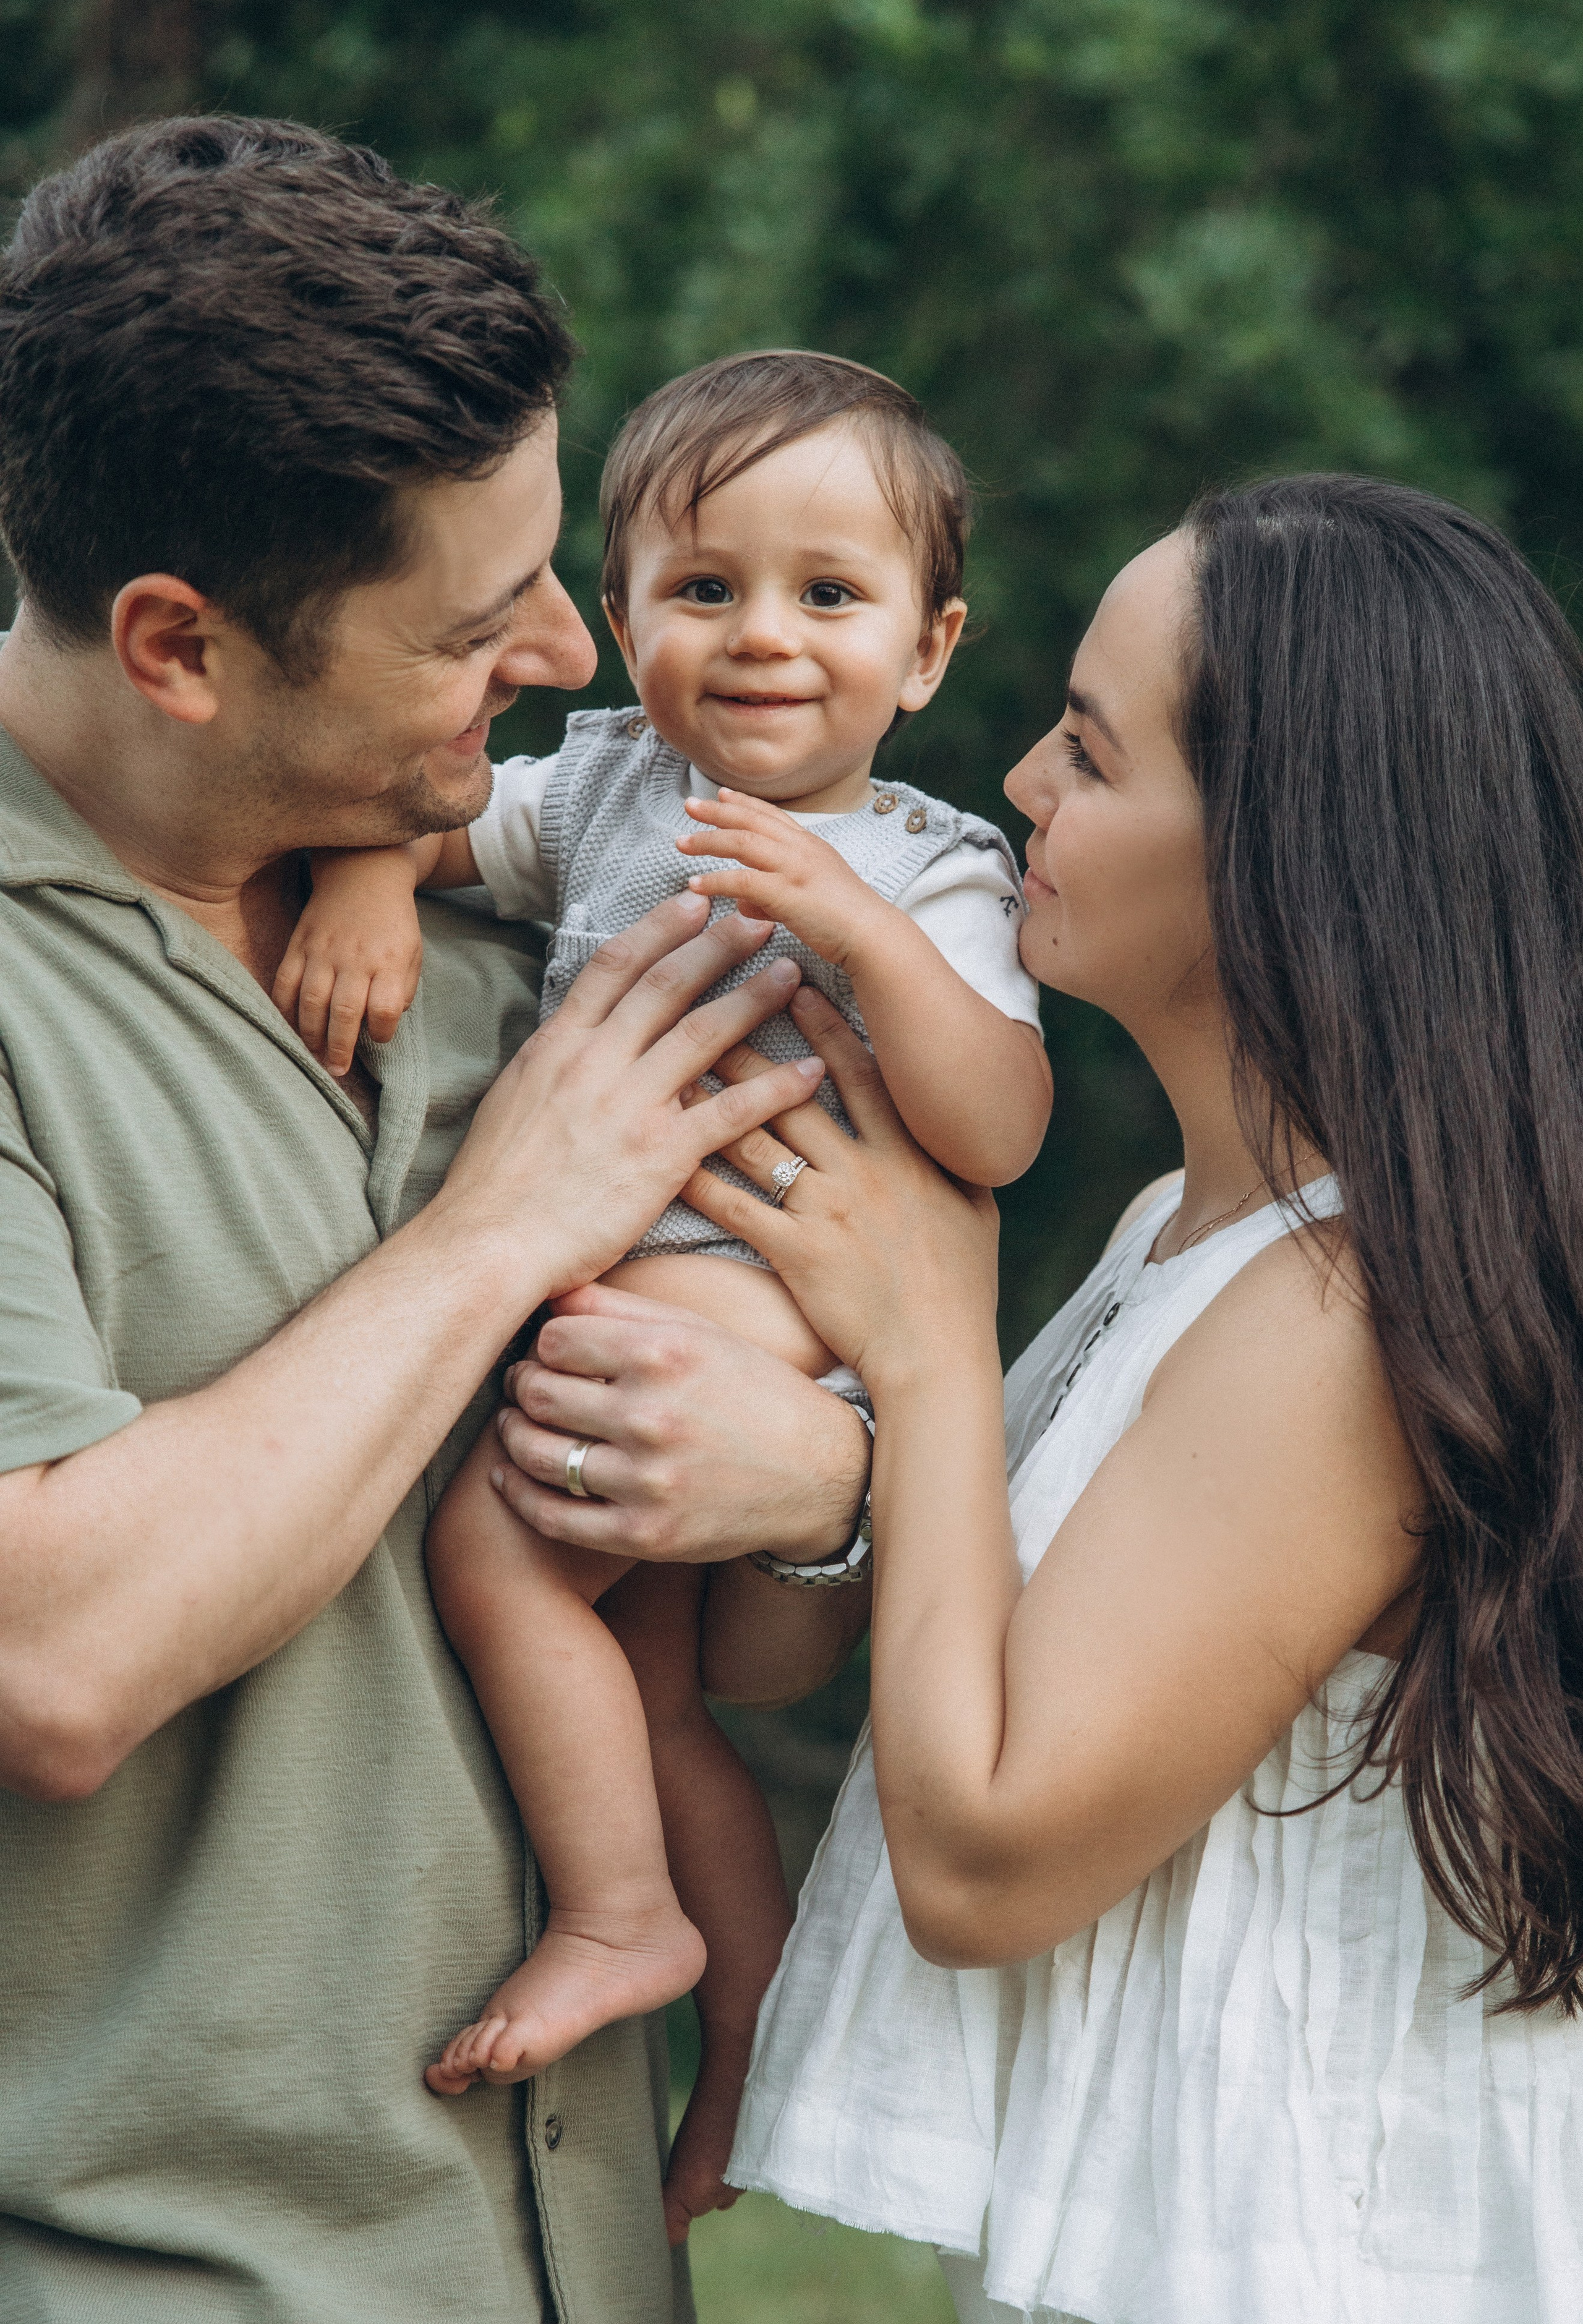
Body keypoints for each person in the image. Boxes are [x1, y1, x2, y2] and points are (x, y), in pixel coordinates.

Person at [500, 475, 1583, 2323]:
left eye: (1090, 750)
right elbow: (860, 1661)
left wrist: (922, 1354)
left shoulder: (1342, 1306)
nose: (1019, 786)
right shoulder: (1188, 1227)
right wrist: (829, 1482)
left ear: (1275, 845)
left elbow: (989, 1848)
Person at [0, 115, 876, 2323]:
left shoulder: (537, 918)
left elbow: (820, 1517)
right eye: (479, 621)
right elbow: (53, 1652)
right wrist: (495, 1232)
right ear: (178, 644)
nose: (578, 654)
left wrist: (823, 1486)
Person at [275, 347, 1051, 2236]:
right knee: (654, 1703)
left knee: (496, 1554)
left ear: (928, 651)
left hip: (734, 1315)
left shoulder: (937, 867)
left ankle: (623, 1914)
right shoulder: (603, 783)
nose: (764, 636)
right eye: (704, 590)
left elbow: (1006, 1120)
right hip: (627, 1305)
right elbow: (424, 814)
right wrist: (375, 880)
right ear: (618, 621)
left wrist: (853, 921)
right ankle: (746, 2002)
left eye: (830, 594)